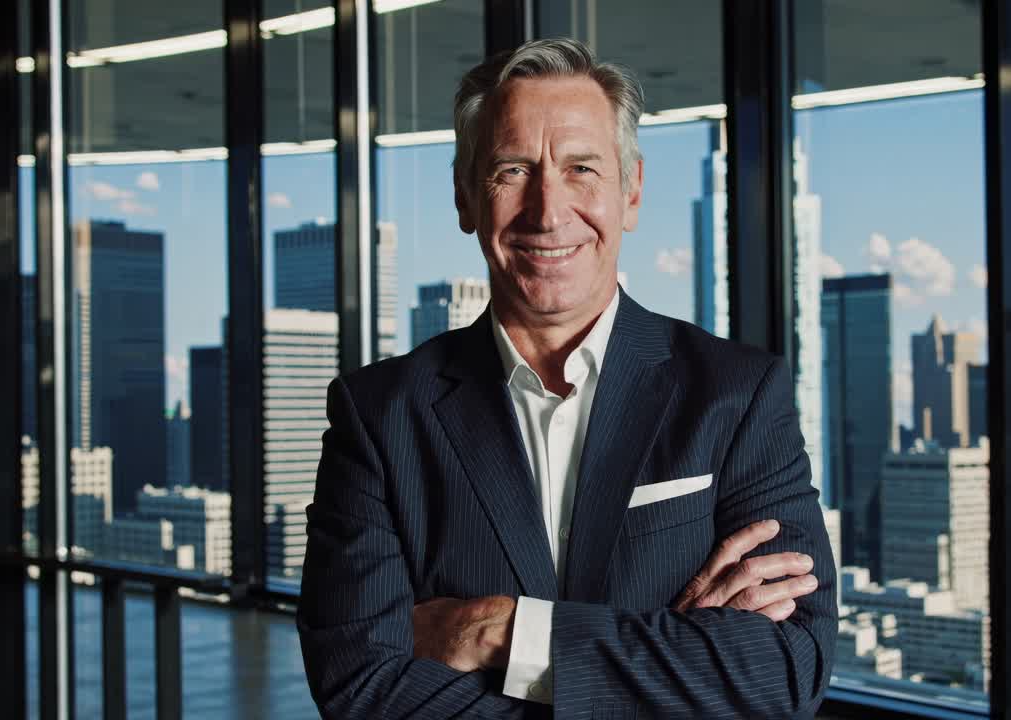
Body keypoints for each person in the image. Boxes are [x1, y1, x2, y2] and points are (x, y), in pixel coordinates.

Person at [297, 38, 836, 719]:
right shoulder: (379, 415)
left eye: (582, 168)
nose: (548, 212)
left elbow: (787, 671)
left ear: (631, 192)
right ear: (466, 196)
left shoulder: (737, 393)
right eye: (512, 171)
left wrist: (502, 632)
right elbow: (360, 689)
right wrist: (672, 667)